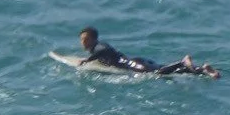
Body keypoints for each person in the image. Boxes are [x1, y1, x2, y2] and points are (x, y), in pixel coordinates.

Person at [75, 28, 218, 78]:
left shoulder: (99, 46)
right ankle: (203, 70)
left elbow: (105, 51)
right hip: (137, 61)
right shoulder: (98, 48)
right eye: (81, 39)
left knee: (157, 73)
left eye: (86, 39)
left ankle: (182, 62)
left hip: (134, 64)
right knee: (168, 73)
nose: (83, 42)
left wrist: (87, 60)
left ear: (94, 39)